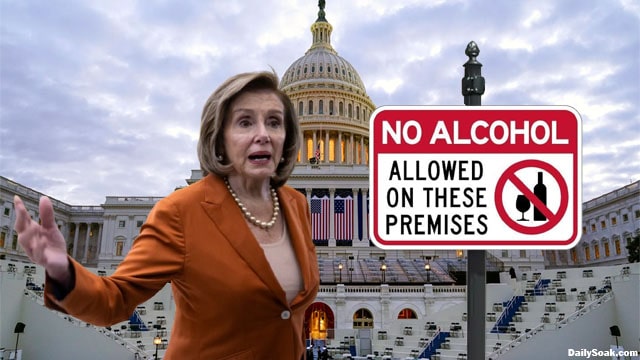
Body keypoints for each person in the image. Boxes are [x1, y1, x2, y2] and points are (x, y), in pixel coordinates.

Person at [13, 70, 320, 359]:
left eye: (275, 122)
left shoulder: (295, 205)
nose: (263, 134)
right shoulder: (180, 211)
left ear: (287, 138)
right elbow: (115, 299)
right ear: (220, 138)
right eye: (245, 122)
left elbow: (286, 312)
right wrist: (61, 269)